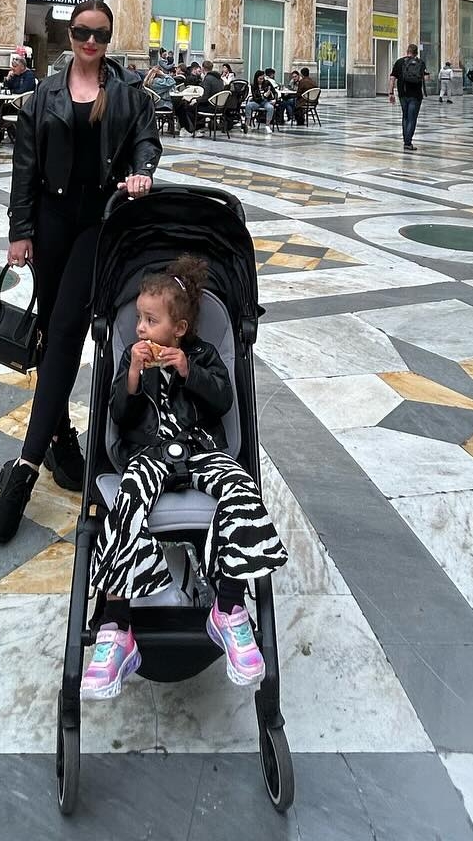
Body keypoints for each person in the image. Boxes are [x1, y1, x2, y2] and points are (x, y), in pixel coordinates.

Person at [0, 0, 158, 541]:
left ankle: (24, 470)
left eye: (100, 35)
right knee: (47, 333)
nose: (90, 42)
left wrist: (142, 172)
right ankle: (61, 443)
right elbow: (25, 169)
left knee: (63, 332)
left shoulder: (128, 94)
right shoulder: (44, 95)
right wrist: (20, 230)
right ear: (70, 34)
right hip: (50, 224)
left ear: (109, 38)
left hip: (98, 225)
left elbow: (146, 140)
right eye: (82, 32)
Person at [81, 254, 287, 700]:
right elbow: (119, 415)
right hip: (149, 453)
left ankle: (229, 607)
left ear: (178, 329)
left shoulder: (201, 355)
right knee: (127, 498)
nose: (140, 329)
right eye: (139, 319)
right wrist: (132, 374)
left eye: (150, 321)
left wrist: (188, 372)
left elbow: (223, 399)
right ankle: (116, 624)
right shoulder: (133, 360)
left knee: (241, 488)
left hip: (201, 451)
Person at [388, 42, 426, 150]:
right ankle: (408, 142)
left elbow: (392, 78)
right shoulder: (420, 62)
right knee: (412, 118)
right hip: (416, 95)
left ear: (407, 51)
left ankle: (406, 140)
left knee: (405, 117)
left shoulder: (399, 62)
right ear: (416, 53)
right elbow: (426, 78)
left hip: (402, 94)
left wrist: (391, 93)